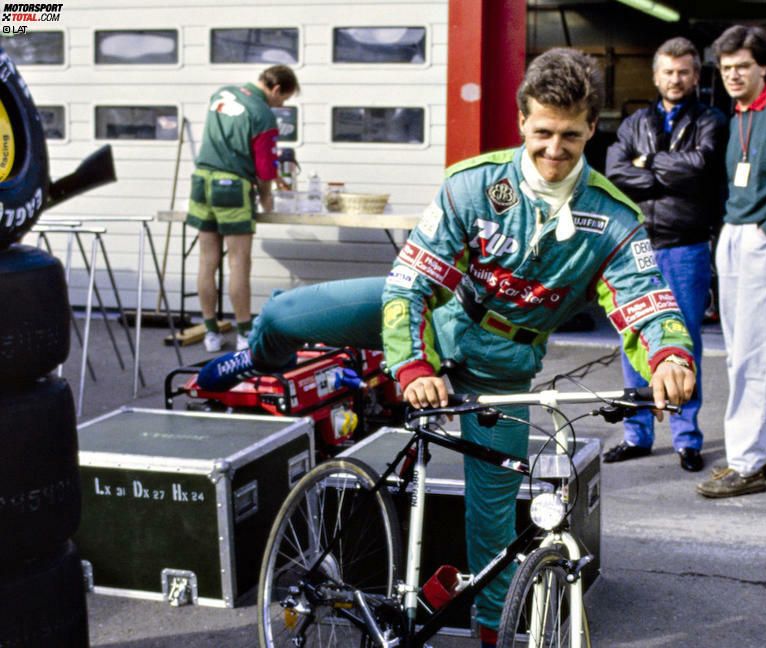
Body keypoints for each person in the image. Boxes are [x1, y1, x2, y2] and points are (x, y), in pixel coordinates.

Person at [197, 48, 696, 646]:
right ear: (521, 122)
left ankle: (493, 635)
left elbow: (647, 301)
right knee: (282, 312)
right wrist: (410, 365)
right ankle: (258, 361)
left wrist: (668, 356)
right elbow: (410, 284)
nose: (554, 149)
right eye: (542, 132)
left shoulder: (613, 219)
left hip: (501, 368)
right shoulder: (474, 184)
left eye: (570, 134)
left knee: (492, 531)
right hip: (435, 318)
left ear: (593, 128)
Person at [694, 25, 766, 498]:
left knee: (758, 352)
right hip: (737, 232)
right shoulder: (739, 113)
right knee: (741, 350)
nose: (733, 75)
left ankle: (745, 463)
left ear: (764, 67)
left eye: (743, 66)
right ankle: (762, 453)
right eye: (726, 68)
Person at [603, 36, 727, 471]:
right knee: (633, 336)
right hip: (636, 246)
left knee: (682, 343)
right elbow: (615, 173)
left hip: (686, 245)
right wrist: (667, 168)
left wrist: (646, 164)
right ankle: (637, 434)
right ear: (656, 76)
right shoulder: (633, 121)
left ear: (695, 76)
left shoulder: (711, 120)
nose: (676, 79)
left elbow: (701, 168)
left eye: (684, 72)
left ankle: (686, 438)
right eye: (668, 72)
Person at [187, 65, 299, 352]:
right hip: (233, 189)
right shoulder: (262, 114)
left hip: (202, 182)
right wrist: (267, 198)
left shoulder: (220, 94)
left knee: (206, 261)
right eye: (284, 99)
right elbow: (264, 169)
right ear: (275, 89)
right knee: (239, 263)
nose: (282, 105)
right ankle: (243, 333)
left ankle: (211, 333)